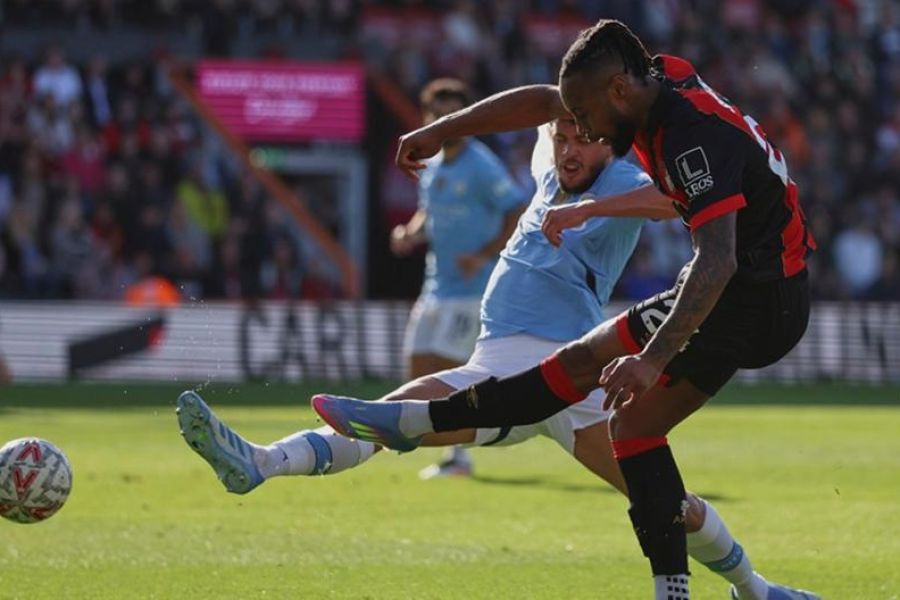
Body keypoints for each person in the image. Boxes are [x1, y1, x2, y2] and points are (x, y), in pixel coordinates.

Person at [178, 117, 813, 600]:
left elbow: (679, 202)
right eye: (563, 137)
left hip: (549, 360)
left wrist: (593, 207)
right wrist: (451, 127)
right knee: (389, 418)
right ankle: (757, 589)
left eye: (585, 139)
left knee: (663, 500)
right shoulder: (552, 165)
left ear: (610, 142)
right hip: (524, 363)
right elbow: (540, 103)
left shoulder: (622, 177)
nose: (570, 149)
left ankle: (756, 590)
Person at [312, 19, 818, 600]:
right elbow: (542, 101)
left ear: (618, 91)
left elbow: (718, 259)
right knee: (624, 419)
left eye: (584, 116)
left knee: (609, 399)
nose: (581, 129)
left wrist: (651, 359)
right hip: (740, 286)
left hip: (758, 299)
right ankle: (733, 593)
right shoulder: (656, 82)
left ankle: (414, 422)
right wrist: (443, 129)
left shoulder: (688, 139)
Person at [391, 78, 527, 478]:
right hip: (436, 284)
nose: (446, 121)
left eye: (454, 114)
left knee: (448, 370)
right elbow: (428, 212)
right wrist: (409, 233)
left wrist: (483, 254)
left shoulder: (482, 164)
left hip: (472, 288)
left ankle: (459, 457)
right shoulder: (431, 166)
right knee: (418, 366)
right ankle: (443, 445)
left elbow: (515, 209)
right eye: (439, 114)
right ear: (427, 118)